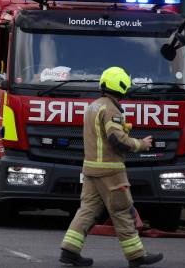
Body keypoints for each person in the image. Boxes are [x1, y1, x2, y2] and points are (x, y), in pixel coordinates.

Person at [59, 67, 163, 268]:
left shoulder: (93, 106)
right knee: (123, 211)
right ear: (122, 86)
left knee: (87, 210)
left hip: (90, 169)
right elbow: (117, 140)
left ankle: (69, 251)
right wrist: (141, 144)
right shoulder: (111, 109)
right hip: (111, 171)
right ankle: (136, 255)